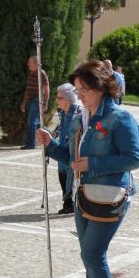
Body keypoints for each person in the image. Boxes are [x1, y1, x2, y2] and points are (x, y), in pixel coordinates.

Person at [37, 60, 139, 278]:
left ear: (101, 87)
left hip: (110, 196)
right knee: (89, 256)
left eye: (84, 89)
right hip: (82, 194)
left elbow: (133, 159)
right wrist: (50, 145)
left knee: (93, 253)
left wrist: (92, 165)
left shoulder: (120, 118)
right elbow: (73, 158)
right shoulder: (81, 116)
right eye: (77, 89)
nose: (79, 94)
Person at [52, 83, 83, 214]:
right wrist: (51, 135)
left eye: (59, 98)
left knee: (72, 178)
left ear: (68, 99)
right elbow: (60, 127)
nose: (56, 101)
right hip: (62, 151)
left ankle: (73, 203)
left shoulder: (78, 112)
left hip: (72, 152)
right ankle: (67, 203)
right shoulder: (64, 113)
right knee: (62, 176)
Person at [19, 56, 50, 150]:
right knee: (35, 123)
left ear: (35, 63)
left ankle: (31, 144)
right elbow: (27, 89)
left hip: (37, 100)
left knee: (31, 122)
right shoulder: (31, 73)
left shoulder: (41, 73)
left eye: (29, 62)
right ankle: (47, 134)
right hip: (30, 100)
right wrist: (24, 102)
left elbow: (46, 89)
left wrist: (45, 103)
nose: (27, 64)